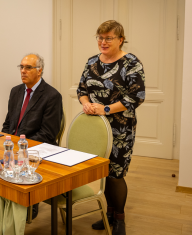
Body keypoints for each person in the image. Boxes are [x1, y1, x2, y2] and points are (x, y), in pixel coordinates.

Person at [77, 20, 145, 235]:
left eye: (108, 38)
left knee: (116, 174)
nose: (103, 42)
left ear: (120, 39)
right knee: (103, 172)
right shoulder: (91, 62)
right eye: (100, 37)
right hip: (95, 126)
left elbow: (136, 96)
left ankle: (120, 218)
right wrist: (86, 104)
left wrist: (106, 109)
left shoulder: (131, 63)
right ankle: (108, 214)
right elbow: (81, 90)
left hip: (120, 128)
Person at [2, 53, 63, 145]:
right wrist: (6, 142)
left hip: (35, 149)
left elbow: (47, 135)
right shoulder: (15, 91)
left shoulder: (52, 96)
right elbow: (8, 124)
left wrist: (21, 144)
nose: (23, 71)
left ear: (39, 71)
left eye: (28, 68)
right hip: (11, 145)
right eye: (21, 67)